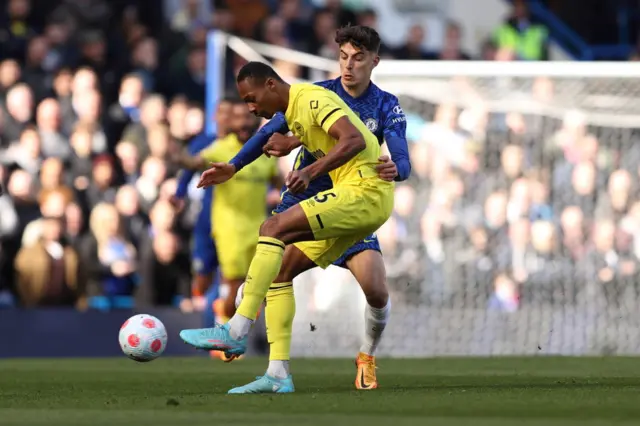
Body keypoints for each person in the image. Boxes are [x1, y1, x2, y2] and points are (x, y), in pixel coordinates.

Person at [180, 59, 396, 394]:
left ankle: (236, 329)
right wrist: (235, 167)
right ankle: (278, 373)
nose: (251, 108)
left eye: (252, 99)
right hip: (348, 196)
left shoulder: (310, 98)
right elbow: (266, 135)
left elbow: (353, 139)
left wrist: (310, 171)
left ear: (270, 85)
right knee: (279, 272)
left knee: (272, 229)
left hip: (363, 194)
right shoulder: (294, 112)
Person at [223, 25, 411, 390]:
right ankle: (246, 337)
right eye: (343, 57)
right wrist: (235, 164)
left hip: (352, 201)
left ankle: (367, 355)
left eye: (357, 58)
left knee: (376, 291)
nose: (349, 66)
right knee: (271, 270)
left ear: (374, 61)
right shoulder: (317, 94)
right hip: (307, 193)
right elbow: (268, 130)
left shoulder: (386, 105)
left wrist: (398, 168)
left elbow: (401, 153)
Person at [172, 100, 283, 360]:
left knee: (265, 284)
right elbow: (195, 161)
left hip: (259, 229)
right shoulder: (222, 148)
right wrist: (177, 153)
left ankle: (251, 333)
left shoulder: (264, 152)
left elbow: (277, 180)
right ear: (231, 123)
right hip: (229, 229)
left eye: (248, 119)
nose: (244, 125)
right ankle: (227, 334)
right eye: (238, 119)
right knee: (233, 283)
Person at [172, 99, 232, 329]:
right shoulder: (205, 143)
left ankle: (219, 325)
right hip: (207, 221)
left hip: (232, 223)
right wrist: (178, 194)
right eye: (222, 113)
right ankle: (201, 312)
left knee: (229, 278)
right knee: (203, 276)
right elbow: (189, 168)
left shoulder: (243, 146)